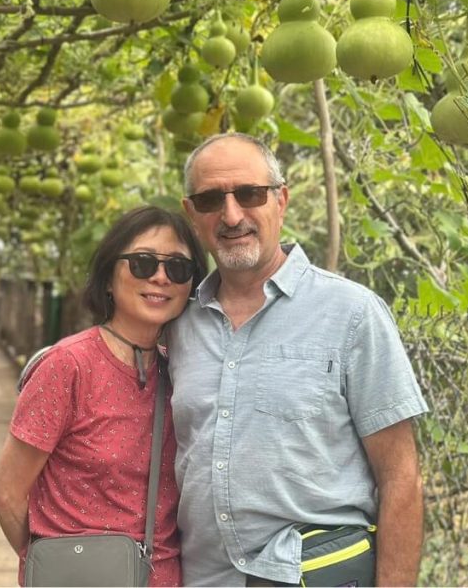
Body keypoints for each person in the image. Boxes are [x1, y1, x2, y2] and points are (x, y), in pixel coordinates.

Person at [169, 133, 429, 586]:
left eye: (249, 194)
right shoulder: (178, 325)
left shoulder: (351, 313)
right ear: (192, 214)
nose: (232, 215)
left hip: (317, 573)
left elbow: (400, 477)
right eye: (211, 200)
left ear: (281, 200)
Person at [0, 205, 209, 586]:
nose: (160, 277)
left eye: (177, 267)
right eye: (142, 263)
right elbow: (5, 495)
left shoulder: (184, 373)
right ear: (108, 277)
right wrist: (53, 568)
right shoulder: (68, 366)